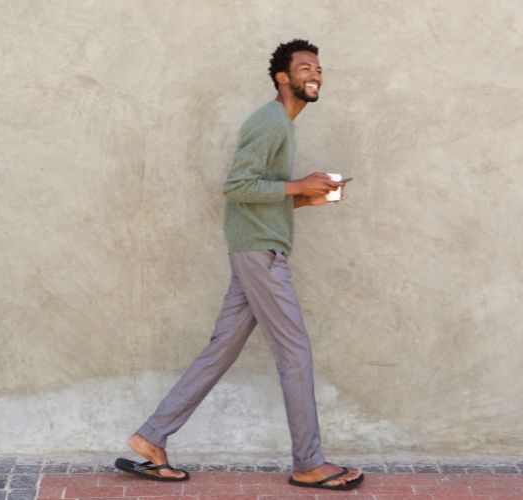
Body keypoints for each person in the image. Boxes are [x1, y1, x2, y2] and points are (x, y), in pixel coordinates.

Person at [115, 39, 364, 492]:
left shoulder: (282, 125)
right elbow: (236, 186)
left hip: (255, 251)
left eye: (320, 68)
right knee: (295, 353)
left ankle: (150, 438)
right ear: (282, 77)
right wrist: (296, 185)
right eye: (305, 67)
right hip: (261, 257)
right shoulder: (270, 120)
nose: (316, 74)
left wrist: (306, 195)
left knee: (219, 352)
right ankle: (308, 462)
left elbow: (257, 194)